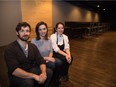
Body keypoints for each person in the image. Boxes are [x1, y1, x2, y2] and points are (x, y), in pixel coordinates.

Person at [4, 22, 53, 87]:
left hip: (30, 69)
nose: (25, 33)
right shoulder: (10, 48)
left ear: (29, 33)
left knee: (49, 72)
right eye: (22, 31)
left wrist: (43, 73)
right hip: (16, 75)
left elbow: (40, 60)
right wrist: (34, 76)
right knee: (28, 82)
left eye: (27, 31)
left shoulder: (32, 46)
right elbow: (14, 70)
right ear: (17, 32)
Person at [31, 21, 62, 87]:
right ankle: (50, 81)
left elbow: (51, 51)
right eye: (40, 29)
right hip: (38, 61)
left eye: (44, 29)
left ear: (47, 29)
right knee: (52, 65)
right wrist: (47, 58)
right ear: (37, 31)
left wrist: (50, 58)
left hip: (47, 58)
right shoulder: (33, 41)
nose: (42, 31)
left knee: (59, 62)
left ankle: (55, 79)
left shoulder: (49, 39)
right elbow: (34, 56)